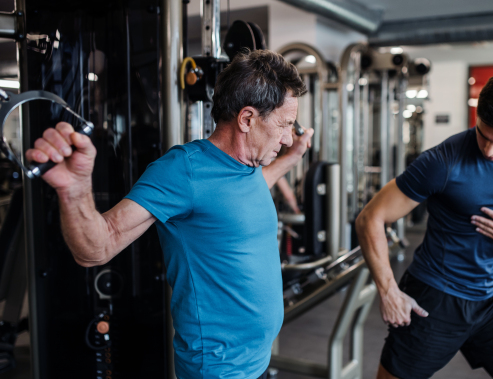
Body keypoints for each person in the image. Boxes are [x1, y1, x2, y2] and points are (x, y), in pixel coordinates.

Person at [25, 50, 314, 379]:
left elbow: (239, 197)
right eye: (284, 125)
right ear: (247, 119)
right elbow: (97, 247)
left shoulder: (247, 167)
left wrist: (291, 158)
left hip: (256, 362)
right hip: (219, 370)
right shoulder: (185, 171)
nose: (289, 137)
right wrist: (74, 189)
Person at [356, 72, 493, 379]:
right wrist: (388, 291)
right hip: (434, 298)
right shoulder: (443, 161)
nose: (489, 151)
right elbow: (371, 217)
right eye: (483, 135)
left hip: (487, 300)